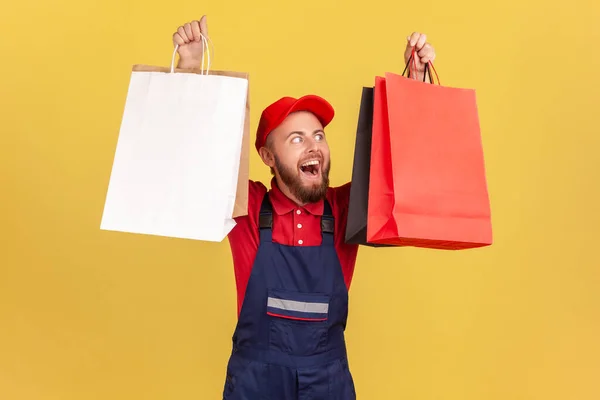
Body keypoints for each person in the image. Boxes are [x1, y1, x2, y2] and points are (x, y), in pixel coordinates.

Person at [172, 15, 437, 399]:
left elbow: (404, 180)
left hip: (327, 385)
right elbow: (193, 156)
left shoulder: (346, 210)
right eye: (296, 139)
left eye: (318, 136)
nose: (314, 146)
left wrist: (415, 87)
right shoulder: (245, 208)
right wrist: (190, 70)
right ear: (267, 156)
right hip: (255, 386)